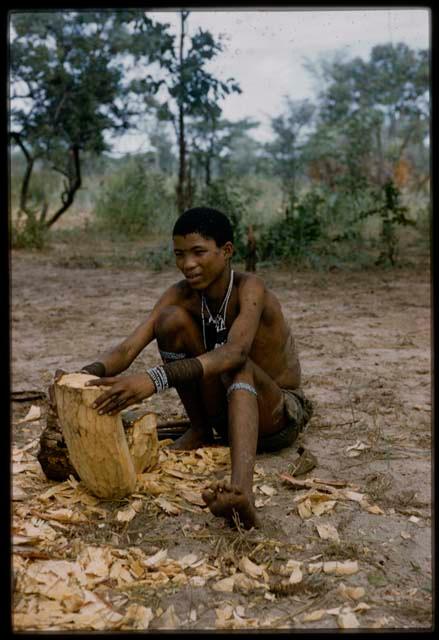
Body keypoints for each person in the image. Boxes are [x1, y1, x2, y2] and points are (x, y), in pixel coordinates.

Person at [79, 207, 312, 529]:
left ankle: (242, 494)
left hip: (276, 413)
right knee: (169, 320)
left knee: (236, 363)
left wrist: (154, 379)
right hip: (224, 412)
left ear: (226, 251)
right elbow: (127, 349)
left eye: (199, 252)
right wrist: (81, 376)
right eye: (179, 254)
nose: (188, 264)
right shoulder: (181, 294)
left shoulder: (250, 288)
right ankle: (201, 429)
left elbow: (235, 353)